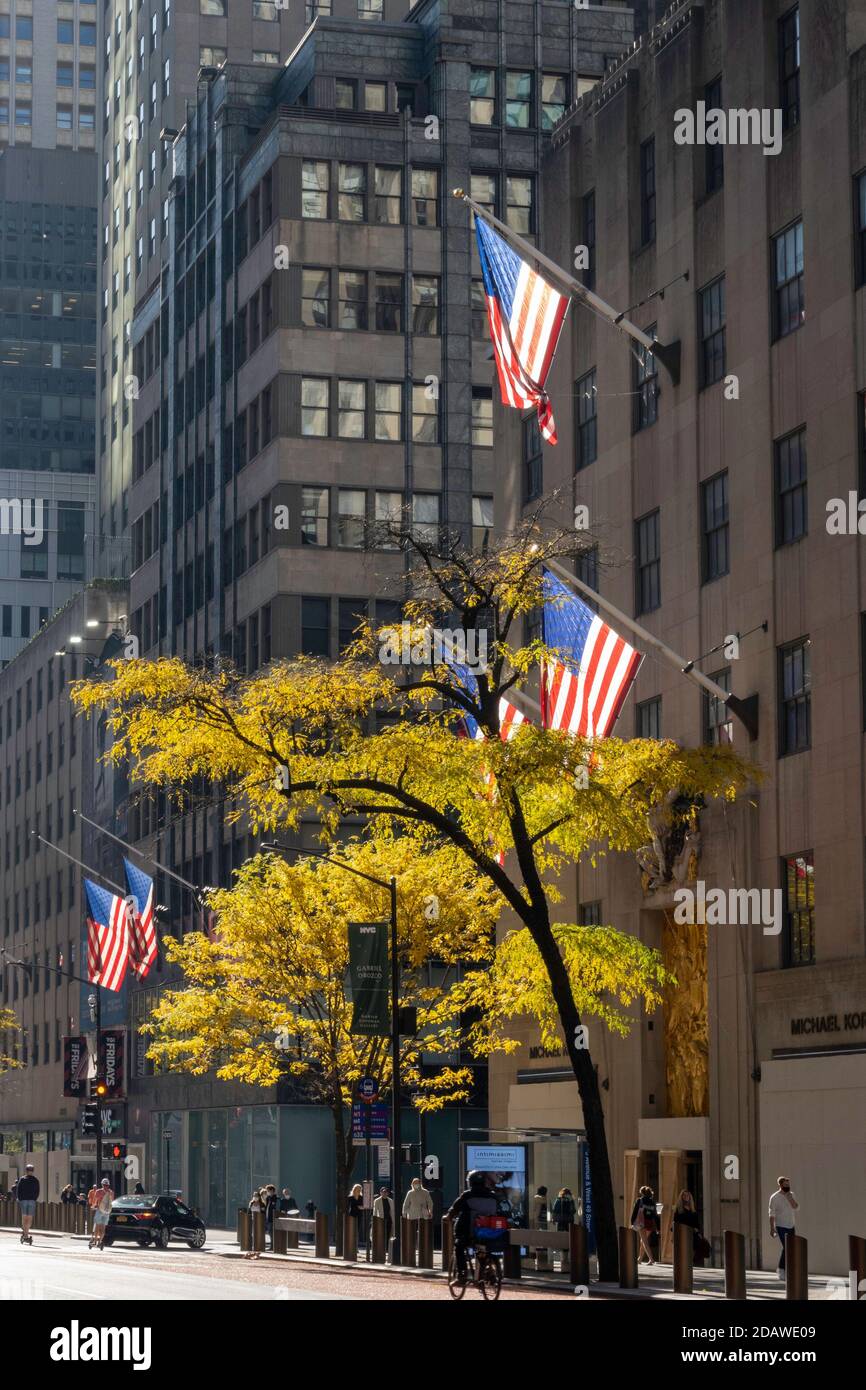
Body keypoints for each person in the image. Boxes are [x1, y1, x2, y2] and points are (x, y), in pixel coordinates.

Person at [446, 1171, 498, 1282]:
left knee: (459, 1247)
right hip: (490, 1233)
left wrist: (448, 1217)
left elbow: (454, 1209)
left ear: (470, 1182)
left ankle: (462, 1275)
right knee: (482, 1249)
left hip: (469, 1233)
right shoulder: (493, 1196)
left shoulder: (467, 1195)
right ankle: (486, 1271)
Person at [768, 1176, 799, 1278]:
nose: (787, 1186)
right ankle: (781, 1270)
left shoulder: (792, 1194)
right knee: (787, 1247)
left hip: (791, 1225)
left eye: (788, 1184)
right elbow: (771, 1214)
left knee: (790, 1248)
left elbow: (796, 1207)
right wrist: (772, 1228)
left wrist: (790, 1198)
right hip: (781, 1225)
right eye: (785, 1185)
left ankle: (786, 1269)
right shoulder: (774, 1197)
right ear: (780, 1185)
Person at [630, 1185, 657, 1265]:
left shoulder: (640, 1200)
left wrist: (632, 1222)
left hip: (642, 1222)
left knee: (644, 1241)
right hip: (650, 1223)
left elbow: (635, 1212)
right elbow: (655, 1215)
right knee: (643, 1240)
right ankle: (640, 1259)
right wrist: (657, 1227)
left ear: (642, 1193)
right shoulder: (653, 1202)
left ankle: (651, 1259)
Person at [16, 1163, 39, 1245]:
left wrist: (20, 1199)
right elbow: (37, 1191)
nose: (30, 1171)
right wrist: (34, 1198)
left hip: (27, 1200)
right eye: (30, 1170)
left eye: (31, 1170)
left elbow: (19, 1190)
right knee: (27, 1218)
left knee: (26, 1218)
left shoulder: (24, 1179)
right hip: (29, 1200)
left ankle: (25, 1234)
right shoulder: (34, 1180)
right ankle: (26, 1234)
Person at [90, 1179, 113, 1250]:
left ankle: (95, 1240)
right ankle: (100, 1241)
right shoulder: (111, 1192)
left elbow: (94, 1202)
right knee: (103, 1228)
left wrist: (93, 1206)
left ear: (102, 1185)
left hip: (100, 1210)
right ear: (108, 1185)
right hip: (107, 1212)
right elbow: (111, 1202)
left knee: (97, 1226)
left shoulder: (98, 1191)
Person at [372, 1186, 394, 1257]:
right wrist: (375, 1220)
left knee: (388, 1234)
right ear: (380, 1192)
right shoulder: (377, 1201)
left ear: (387, 1193)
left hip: (389, 1220)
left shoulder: (390, 1201)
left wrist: (393, 1220)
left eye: (386, 1192)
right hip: (381, 1220)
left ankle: (387, 1248)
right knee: (381, 1234)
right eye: (383, 1192)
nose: (384, 1193)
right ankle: (382, 1248)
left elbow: (392, 1211)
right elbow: (375, 1211)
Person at [245, 1189, 265, 1259]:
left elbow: (263, 1213)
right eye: (254, 1196)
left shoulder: (262, 1204)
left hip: (259, 1222)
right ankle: (251, 1250)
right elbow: (248, 1212)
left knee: (258, 1235)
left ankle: (258, 1250)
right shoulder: (251, 1203)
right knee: (252, 1235)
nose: (255, 1197)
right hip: (252, 1220)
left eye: (256, 1196)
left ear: (259, 1197)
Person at [264, 1184, 278, 1249]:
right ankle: (272, 1246)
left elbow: (276, 1208)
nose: (267, 1192)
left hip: (272, 1218)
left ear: (272, 1190)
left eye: (268, 1191)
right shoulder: (268, 1198)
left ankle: (273, 1246)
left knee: (272, 1233)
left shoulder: (276, 1198)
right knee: (269, 1232)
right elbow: (266, 1207)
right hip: (267, 1218)